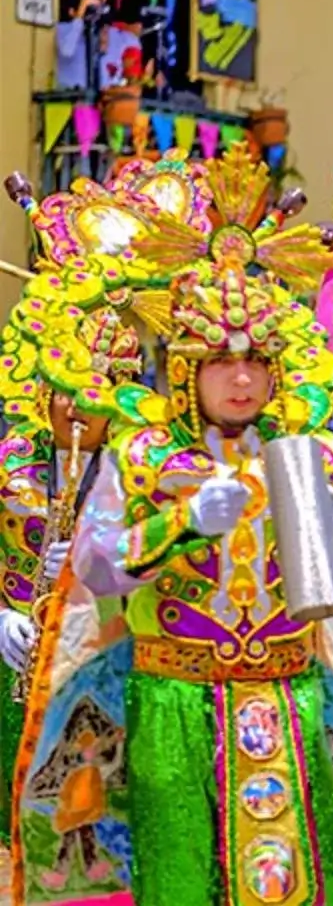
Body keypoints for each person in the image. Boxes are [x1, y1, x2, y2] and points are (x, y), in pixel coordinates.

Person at [67, 241, 333, 904]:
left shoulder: (311, 455)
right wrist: (180, 523)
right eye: (221, 361)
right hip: (172, 696)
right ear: (185, 371)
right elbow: (94, 567)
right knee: (178, 877)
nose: (241, 379)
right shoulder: (141, 455)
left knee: (285, 873)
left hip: (284, 690)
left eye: (255, 362)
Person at [0, 307, 143, 848]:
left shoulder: (137, 475)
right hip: (13, 669)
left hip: (101, 671)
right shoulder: (9, 463)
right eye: (64, 389)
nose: (75, 406)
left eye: (94, 390)